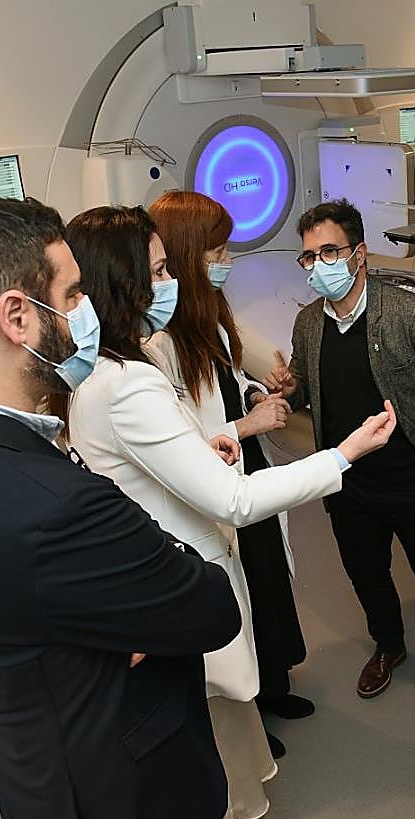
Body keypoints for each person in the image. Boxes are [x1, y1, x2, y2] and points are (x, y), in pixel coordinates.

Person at [0, 196, 242, 819]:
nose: (85, 313)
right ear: (17, 317)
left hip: (37, 780)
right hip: (128, 796)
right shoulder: (57, 505)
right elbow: (211, 605)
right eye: (73, 294)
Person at [60, 206, 396, 819]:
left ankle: (234, 801)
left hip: (163, 550)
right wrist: (344, 454)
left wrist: (199, 441)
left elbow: (158, 445)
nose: (172, 282)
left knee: (215, 714)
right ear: (128, 283)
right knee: (206, 717)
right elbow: (232, 502)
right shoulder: (127, 381)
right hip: (181, 566)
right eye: (160, 271)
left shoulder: (106, 370)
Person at [264, 198, 415, 705]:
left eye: (329, 252)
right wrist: (290, 389)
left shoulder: (410, 315)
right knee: (366, 572)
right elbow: (307, 388)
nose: (318, 266)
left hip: (414, 477)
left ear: (359, 254)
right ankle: (389, 646)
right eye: (308, 257)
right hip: (347, 481)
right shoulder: (309, 323)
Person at [146, 191, 314, 728]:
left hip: (250, 463)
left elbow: (226, 380)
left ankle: (276, 686)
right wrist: (245, 424)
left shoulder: (208, 316)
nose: (226, 263)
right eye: (216, 253)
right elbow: (176, 437)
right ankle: (251, 716)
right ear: (183, 255)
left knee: (268, 578)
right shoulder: (158, 341)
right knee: (239, 592)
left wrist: (254, 393)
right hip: (217, 477)